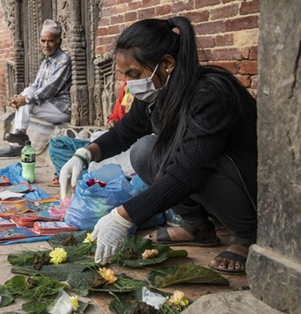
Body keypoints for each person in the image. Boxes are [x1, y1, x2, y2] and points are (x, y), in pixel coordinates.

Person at [59, 17, 257, 274]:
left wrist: (124, 215)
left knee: (182, 158)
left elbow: (189, 171)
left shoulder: (210, 93)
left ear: (166, 64)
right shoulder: (158, 92)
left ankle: (246, 235)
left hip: (246, 182)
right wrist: (84, 154)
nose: (130, 84)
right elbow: (124, 132)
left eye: (134, 74)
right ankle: (195, 226)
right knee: (144, 150)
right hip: (206, 176)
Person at [0, 19, 72, 157]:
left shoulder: (64, 60)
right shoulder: (45, 62)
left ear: (59, 41)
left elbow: (51, 88)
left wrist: (26, 99)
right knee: (25, 96)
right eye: (43, 41)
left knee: (26, 100)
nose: (46, 45)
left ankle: (17, 142)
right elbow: (35, 85)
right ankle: (19, 137)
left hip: (61, 108)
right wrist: (19, 97)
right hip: (46, 105)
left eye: (50, 41)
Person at [48, 80, 133, 186]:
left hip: (131, 149)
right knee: (57, 144)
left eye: (133, 73)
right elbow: (116, 121)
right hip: (115, 139)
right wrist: (83, 155)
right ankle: (89, 179)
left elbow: (131, 131)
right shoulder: (128, 85)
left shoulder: (148, 95)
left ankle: (93, 181)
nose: (128, 77)